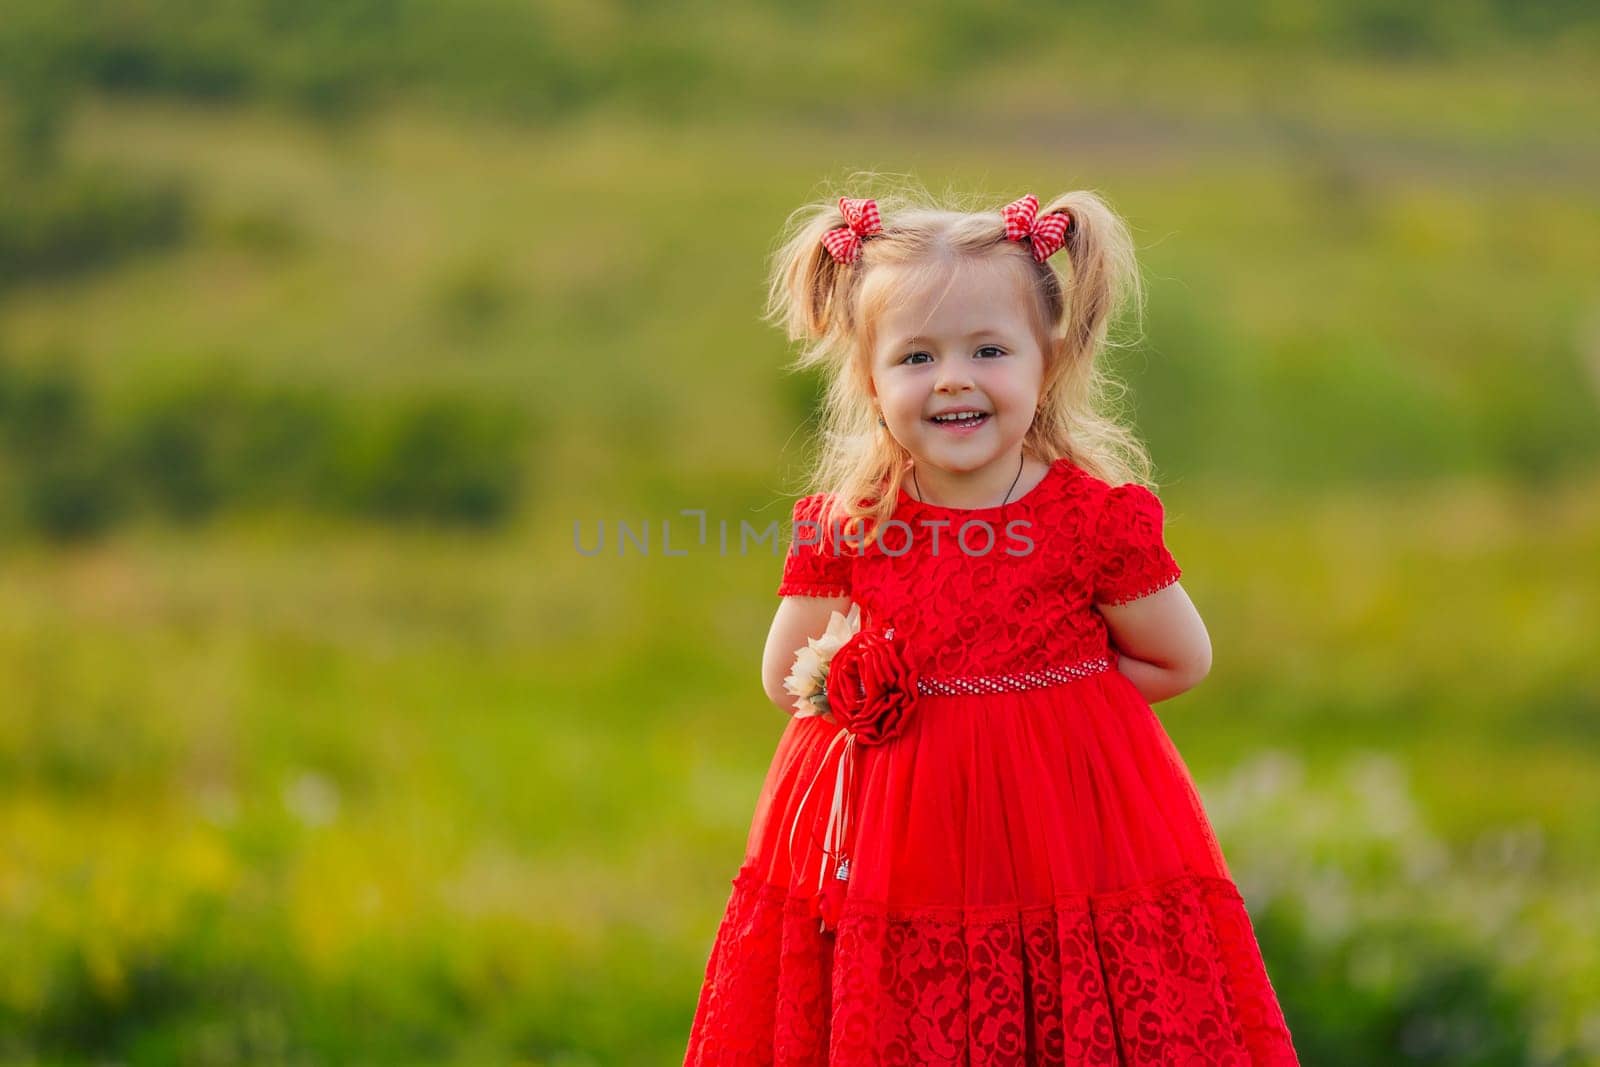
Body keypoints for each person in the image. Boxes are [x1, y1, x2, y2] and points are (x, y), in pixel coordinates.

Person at [683, 186, 1299, 1064]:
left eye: (988, 349)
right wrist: (869, 685)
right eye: (916, 357)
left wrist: (1045, 711)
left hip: (1060, 844)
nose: (954, 378)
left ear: (1044, 363)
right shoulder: (851, 523)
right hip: (898, 854)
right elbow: (790, 677)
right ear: (870, 378)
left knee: (1049, 1015)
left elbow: (1178, 657)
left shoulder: (1091, 520)